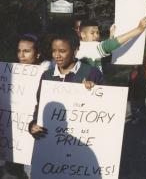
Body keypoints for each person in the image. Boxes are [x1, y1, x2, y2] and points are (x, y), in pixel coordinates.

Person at [29, 30, 103, 139]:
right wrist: (34, 124)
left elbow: (103, 110)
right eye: (54, 51)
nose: (57, 55)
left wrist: (94, 90)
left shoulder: (92, 73)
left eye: (62, 51)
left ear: (75, 50)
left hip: (82, 141)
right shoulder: (47, 76)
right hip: (51, 142)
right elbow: (40, 105)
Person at [5, 34, 43, 179]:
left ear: (38, 53)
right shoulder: (8, 73)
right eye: (19, 51)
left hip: (34, 135)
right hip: (11, 136)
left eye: (26, 51)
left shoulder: (47, 72)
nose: (21, 55)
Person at [76, 17, 146, 71]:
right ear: (83, 35)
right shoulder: (86, 47)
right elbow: (109, 45)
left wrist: (111, 37)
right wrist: (138, 29)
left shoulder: (82, 47)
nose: (96, 36)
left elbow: (104, 49)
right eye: (92, 33)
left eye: (97, 32)